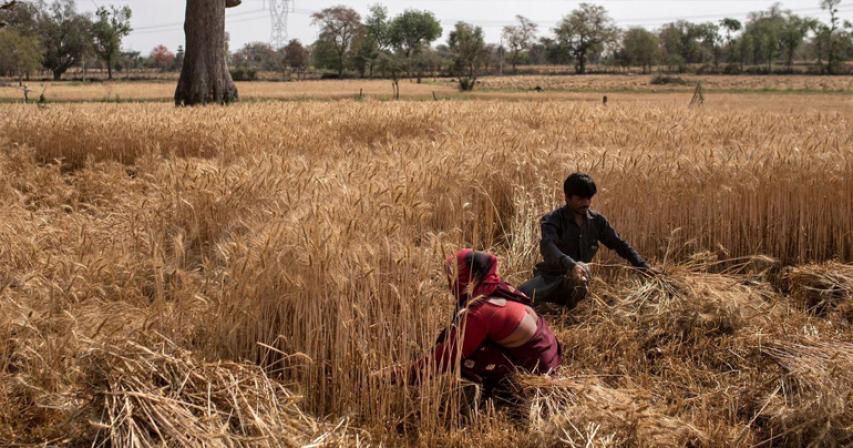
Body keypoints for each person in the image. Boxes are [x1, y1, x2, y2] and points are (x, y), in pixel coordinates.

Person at [408, 249, 561, 389]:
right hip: (550, 355)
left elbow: (446, 357)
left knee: (467, 358)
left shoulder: (480, 313)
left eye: (453, 274)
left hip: (538, 371)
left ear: (466, 277)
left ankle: (500, 392)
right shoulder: (497, 288)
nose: (449, 281)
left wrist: (399, 376)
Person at [520, 173, 652, 310]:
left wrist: (643, 266)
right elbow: (548, 247)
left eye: (589, 198)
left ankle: (568, 307)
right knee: (521, 295)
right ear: (567, 197)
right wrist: (572, 265)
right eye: (580, 198)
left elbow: (619, 244)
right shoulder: (552, 220)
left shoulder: (597, 221)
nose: (586, 203)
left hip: (578, 281)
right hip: (550, 278)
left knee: (580, 281)